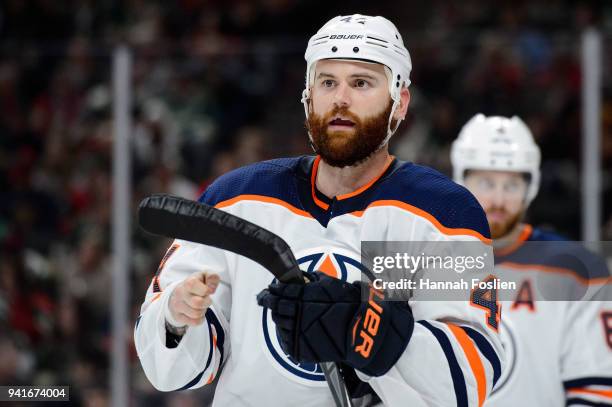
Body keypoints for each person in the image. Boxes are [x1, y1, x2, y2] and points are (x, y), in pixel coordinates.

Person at [135, 15, 504, 406]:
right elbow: (170, 371)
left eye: (361, 83)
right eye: (327, 82)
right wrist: (177, 318)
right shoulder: (237, 198)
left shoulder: (442, 213)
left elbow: (471, 379)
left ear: (400, 103)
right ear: (308, 95)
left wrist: (367, 331)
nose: (340, 98)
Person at [451, 114, 612, 406]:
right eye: (486, 182)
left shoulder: (577, 270)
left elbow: (597, 388)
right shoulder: (416, 261)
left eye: (511, 185)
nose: (498, 199)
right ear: (461, 180)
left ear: (531, 187)